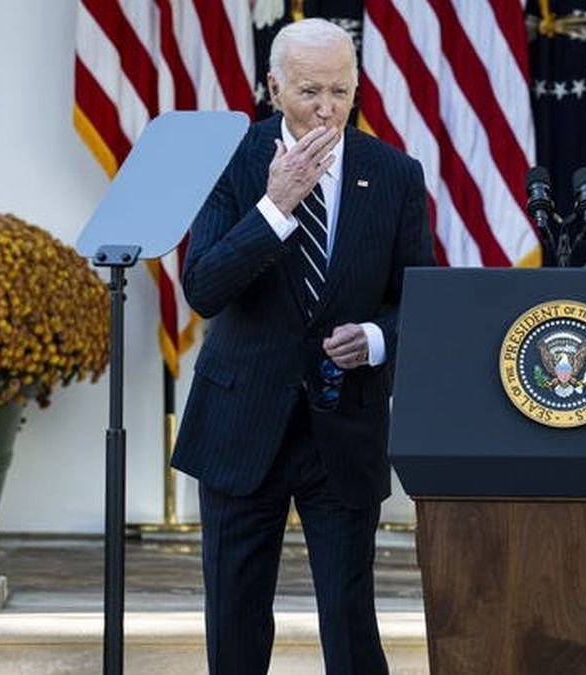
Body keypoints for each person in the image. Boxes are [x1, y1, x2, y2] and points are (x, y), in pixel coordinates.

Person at [172, 18, 435, 675]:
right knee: (235, 617)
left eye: (341, 92)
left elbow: (421, 300)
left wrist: (375, 338)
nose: (327, 109)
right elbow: (203, 286)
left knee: (349, 618)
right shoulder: (232, 161)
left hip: (343, 426)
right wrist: (274, 207)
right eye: (310, 91)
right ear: (274, 88)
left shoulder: (395, 174)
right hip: (239, 424)